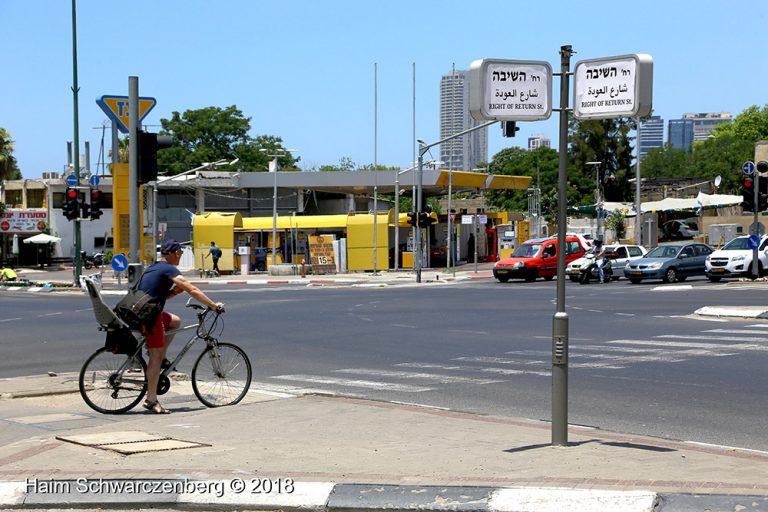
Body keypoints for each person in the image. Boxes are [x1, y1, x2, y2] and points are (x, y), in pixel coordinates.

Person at [139, 239, 224, 414]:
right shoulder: (168, 269)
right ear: (174, 253)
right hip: (149, 315)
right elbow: (192, 289)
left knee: (175, 321)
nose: (180, 256)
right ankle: (151, 400)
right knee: (155, 356)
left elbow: (160, 296)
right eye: (180, 253)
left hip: (143, 311)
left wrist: (173, 292)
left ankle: (160, 356)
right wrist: (213, 305)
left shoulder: (154, 267)